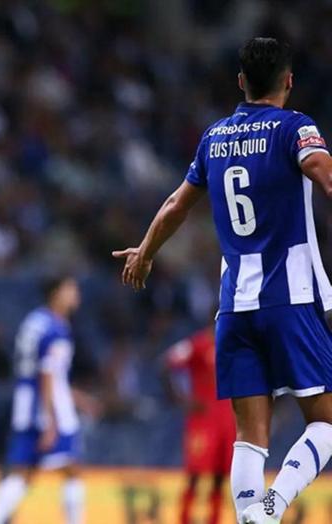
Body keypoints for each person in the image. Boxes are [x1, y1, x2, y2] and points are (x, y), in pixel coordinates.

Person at [113, 37, 332, 524]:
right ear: (289, 81)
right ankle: (273, 506)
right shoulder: (296, 127)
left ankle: (252, 517)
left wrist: (145, 252)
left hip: (234, 307)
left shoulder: (214, 138)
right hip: (292, 298)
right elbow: (324, 174)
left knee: (249, 438)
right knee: (326, 424)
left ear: (240, 82)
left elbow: (176, 204)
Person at [0, 275, 85, 524]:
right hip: (48, 406)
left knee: (22, 472)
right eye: (70, 289)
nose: (75, 295)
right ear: (56, 292)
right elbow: (48, 373)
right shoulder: (56, 328)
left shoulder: (34, 321)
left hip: (25, 401)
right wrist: (50, 420)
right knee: (72, 468)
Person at [163, 327, 236, 524]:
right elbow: (167, 362)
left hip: (227, 421)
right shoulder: (198, 344)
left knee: (220, 477)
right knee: (195, 474)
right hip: (203, 421)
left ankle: (214, 520)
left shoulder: (234, 343)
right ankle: (184, 519)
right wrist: (180, 399)